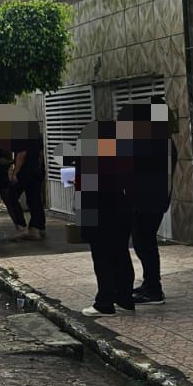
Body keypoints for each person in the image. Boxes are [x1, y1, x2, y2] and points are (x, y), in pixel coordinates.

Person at [123, 99, 177, 305]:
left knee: (144, 244)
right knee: (144, 243)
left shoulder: (155, 141)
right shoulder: (163, 140)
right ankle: (150, 284)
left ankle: (153, 289)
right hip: (152, 200)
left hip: (147, 201)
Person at [77, 123, 135, 316]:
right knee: (121, 255)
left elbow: (87, 191)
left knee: (102, 259)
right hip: (122, 211)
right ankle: (125, 298)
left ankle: (105, 302)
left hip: (99, 213)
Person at [4, 132, 46, 240]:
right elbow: (41, 153)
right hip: (37, 170)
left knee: (11, 196)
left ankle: (21, 226)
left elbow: (21, 154)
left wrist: (15, 173)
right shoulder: (37, 135)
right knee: (35, 200)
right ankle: (37, 228)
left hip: (25, 171)